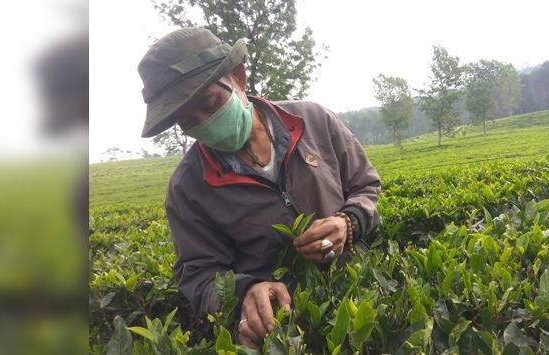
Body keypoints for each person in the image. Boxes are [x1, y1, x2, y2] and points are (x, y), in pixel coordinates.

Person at [136, 27, 381, 349]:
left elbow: (365, 186)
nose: (203, 123)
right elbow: (198, 272)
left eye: (210, 103)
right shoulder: (188, 186)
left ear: (239, 77)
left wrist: (348, 222)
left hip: (358, 292)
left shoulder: (313, 120)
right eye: (187, 121)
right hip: (284, 325)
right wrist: (244, 292)